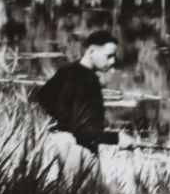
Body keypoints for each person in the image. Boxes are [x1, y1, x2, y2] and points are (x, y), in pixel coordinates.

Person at [34, 29, 133, 171]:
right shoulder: (89, 81)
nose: (113, 61)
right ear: (91, 51)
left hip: (60, 143)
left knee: (66, 191)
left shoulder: (67, 70)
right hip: (79, 150)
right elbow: (84, 130)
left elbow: (43, 97)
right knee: (87, 193)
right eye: (109, 56)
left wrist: (66, 120)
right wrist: (117, 138)